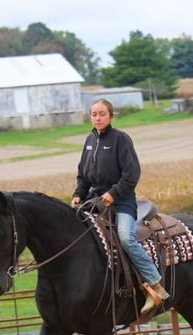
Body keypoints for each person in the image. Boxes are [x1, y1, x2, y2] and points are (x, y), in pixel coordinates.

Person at [71, 99, 169, 317]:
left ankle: (155, 283)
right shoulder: (89, 140)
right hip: (94, 199)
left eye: (102, 114)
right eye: (94, 114)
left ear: (111, 116)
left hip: (122, 200)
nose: (98, 118)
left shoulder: (120, 139)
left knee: (125, 237)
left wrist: (113, 194)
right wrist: (78, 195)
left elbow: (131, 175)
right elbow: (82, 175)